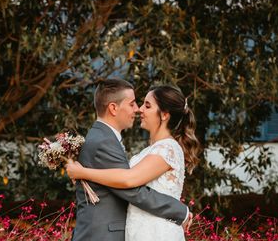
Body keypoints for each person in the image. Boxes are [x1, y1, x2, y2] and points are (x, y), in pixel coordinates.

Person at [67, 83, 200, 241]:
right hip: (138, 231)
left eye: (147, 105)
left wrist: (83, 172)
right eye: (137, 104)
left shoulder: (167, 149)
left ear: (164, 115)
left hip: (156, 232)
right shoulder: (147, 150)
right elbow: (130, 186)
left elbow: (129, 181)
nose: (139, 109)